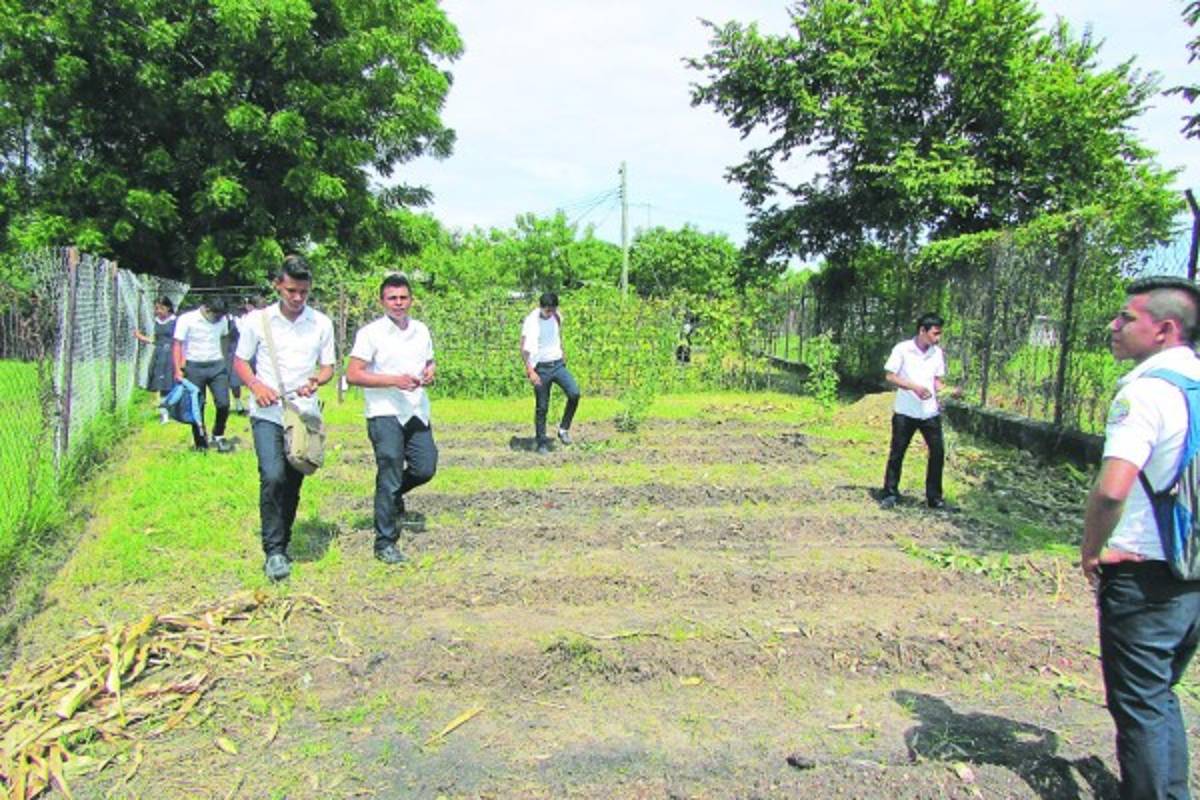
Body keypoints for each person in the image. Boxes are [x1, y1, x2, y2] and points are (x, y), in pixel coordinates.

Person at [1081, 275, 1200, 799]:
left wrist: (1091, 549)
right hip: (1192, 567)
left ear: (1164, 330)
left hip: (1146, 574)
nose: (1114, 325)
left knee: (1139, 706)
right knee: (1159, 695)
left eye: (1127, 317)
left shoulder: (1146, 392)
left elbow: (1112, 490)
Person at [233, 256, 335, 581]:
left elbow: (328, 367)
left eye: (303, 292)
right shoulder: (257, 322)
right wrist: (255, 385)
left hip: (303, 415)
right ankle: (274, 551)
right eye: (291, 290)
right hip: (267, 411)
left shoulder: (321, 323)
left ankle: (283, 538)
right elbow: (240, 362)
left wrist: (317, 380)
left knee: (293, 478)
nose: (297, 298)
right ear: (278, 285)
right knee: (273, 475)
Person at [346, 273, 438, 565]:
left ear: (411, 299)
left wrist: (429, 372)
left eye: (403, 298)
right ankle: (385, 542)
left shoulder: (421, 330)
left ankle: (394, 494)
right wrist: (393, 381)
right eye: (392, 298)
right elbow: (353, 374)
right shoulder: (370, 333)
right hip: (384, 410)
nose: (398, 303)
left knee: (425, 468)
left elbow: (429, 360)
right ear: (382, 301)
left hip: (416, 409)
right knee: (390, 472)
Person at [879, 312, 955, 509]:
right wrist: (913, 387)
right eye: (935, 334)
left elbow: (937, 382)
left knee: (938, 453)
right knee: (898, 452)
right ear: (922, 331)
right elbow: (890, 376)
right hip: (905, 411)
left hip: (929, 412)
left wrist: (949, 391)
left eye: (939, 334)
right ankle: (890, 493)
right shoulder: (903, 349)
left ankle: (934, 498)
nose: (937, 338)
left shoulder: (936, 353)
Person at [520, 292, 581, 454]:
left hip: (558, 364)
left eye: (553, 310)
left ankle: (563, 429)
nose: (550, 313)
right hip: (541, 368)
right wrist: (530, 371)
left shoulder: (557, 317)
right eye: (548, 311)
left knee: (574, 393)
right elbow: (524, 348)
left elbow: (557, 335)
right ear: (541, 308)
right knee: (542, 406)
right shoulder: (531, 322)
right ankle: (541, 442)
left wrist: (562, 351)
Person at [173, 296, 231, 451]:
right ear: (206, 309)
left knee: (223, 403)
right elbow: (177, 344)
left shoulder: (222, 320)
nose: (218, 319)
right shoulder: (186, 320)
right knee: (197, 406)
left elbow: (224, 338)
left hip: (217, 366)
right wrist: (178, 369)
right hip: (194, 367)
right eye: (216, 315)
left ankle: (218, 434)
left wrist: (224, 361)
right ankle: (200, 441)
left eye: (221, 316)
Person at [134, 296, 176, 423]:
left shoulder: (176, 321)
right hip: (159, 355)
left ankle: (174, 410)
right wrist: (141, 337)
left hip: (172, 355)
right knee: (162, 385)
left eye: (160, 308)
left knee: (172, 384)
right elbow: (156, 341)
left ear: (168, 308)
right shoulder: (156, 322)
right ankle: (165, 414)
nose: (157, 311)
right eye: (156, 308)